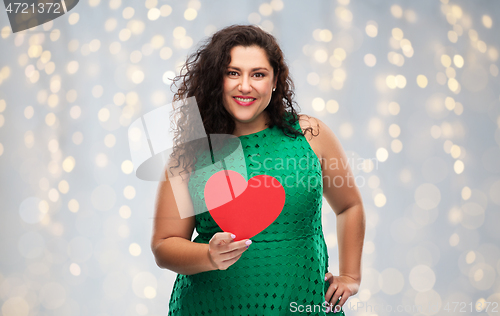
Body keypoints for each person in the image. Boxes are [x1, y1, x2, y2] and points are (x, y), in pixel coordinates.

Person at [151, 24, 366, 315]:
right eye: (233, 73)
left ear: (275, 80)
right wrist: (209, 255)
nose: (245, 86)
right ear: (217, 79)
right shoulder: (193, 151)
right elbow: (164, 244)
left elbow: (349, 206)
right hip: (210, 307)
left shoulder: (310, 135)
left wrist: (351, 277)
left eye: (258, 74)